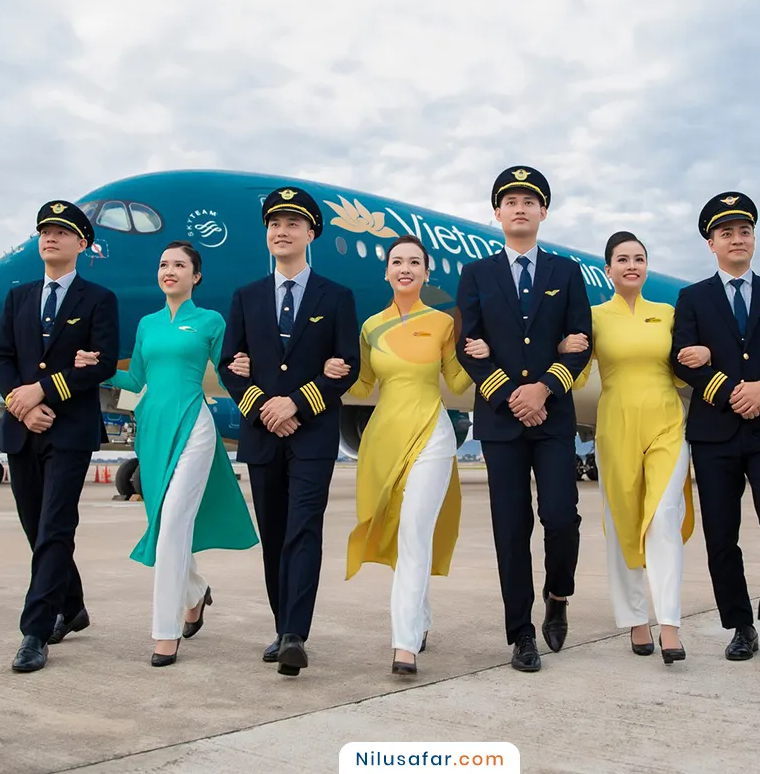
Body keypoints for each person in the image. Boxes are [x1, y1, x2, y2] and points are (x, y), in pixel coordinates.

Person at [233, 234, 470, 676]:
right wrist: (327, 369)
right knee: (404, 532)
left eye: (414, 262)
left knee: (414, 532)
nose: (405, 269)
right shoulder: (371, 327)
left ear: (426, 272)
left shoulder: (442, 323)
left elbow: (457, 382)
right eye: (397, 262)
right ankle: (420, 617)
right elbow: (358, 386)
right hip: (383, 438)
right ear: (387, 271)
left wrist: (476, 348)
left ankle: (404, 645)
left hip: (431, 432)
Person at [467, 230, 695, 665]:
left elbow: (680, 371)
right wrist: (550, 358)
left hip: (658, 422)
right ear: (608, 269)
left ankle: (660, 621)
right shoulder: (593, 317)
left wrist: (697, 358)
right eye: (622, 259)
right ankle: (617, 622)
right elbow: (572, 360)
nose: (632, 265)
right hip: (608, 424)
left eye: (639, 258)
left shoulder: (667, 313)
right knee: (613, 522)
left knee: (656, 517)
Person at [74, 241, 258, 667]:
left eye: (179, 265)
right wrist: (97, 367)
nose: (169, 270)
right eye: (163, 265)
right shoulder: (147, 324)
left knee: (174, 520)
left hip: (193, 423)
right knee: (164, 523)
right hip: (152, 429)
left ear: (196, 276)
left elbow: (226, 373)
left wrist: (247, 372)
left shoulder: (210, 321)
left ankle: (165, 632)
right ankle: (195, 593)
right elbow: (137, 378)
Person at [454, 165, 593, 673]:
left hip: (553, 418)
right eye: (510, 201)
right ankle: (521, 634)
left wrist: (544, 387)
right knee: (511, 529)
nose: (519, 208)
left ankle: (558, 594)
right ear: (497, 213)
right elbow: (468, 345)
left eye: (528, 201)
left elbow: (581, 343)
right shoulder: (477, 274)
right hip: (502, 422)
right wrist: (510, 394)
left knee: (561, 517)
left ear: (542, 212)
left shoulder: (566, 272)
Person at [217, 185, 360, 676]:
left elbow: (347, 365)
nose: (282, 231)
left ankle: (296, 633)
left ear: (310, 233)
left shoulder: (336, 297)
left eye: (292, 224)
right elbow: (230, 365)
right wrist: (264, 408)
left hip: (312, 434)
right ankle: (282, 628)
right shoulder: (246, 297)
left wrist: (295, 402)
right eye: (275, 224)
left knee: (304, 529)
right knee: (275, 533)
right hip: (263, 435)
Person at [669, 192, 760, 666]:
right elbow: (681, 360)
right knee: (721, 537)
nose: (737, 239)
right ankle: (740, 627)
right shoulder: (692, 298)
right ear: (711, 243)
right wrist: (733, 390)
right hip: (714, 435)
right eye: (726, 232)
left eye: (744, 231)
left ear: (754, 239)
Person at [0, 200, 120, 673]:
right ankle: (73, 605)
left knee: (55, 527)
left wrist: (43, 390)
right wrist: (20, 404)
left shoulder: (98, 299)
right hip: (23, 429)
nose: (50, 237)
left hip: (69, 431)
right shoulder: (18, 298)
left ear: (82, 244)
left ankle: (35, 631)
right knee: (35, 527)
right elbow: (2, 356)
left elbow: (103, 362)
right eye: (45, 230)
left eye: (62, 232)